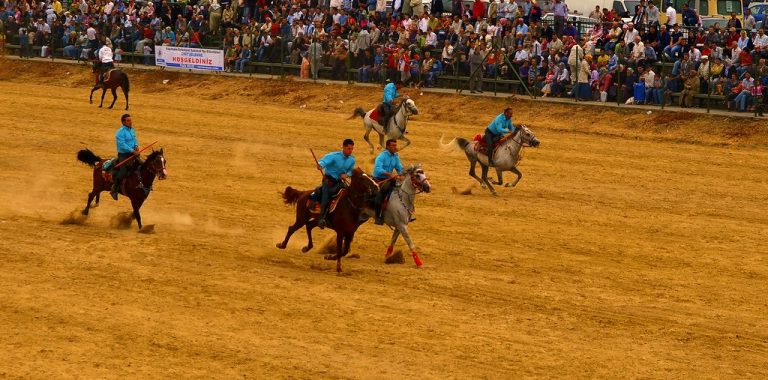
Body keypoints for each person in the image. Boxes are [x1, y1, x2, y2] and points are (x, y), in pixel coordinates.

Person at [316, 139, 356, 229]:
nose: (350, 151)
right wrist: (320, 165)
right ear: (344, 147)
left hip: (339, 182)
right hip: (328, 182)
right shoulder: (333, 156)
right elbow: (323, 161)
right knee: (325, 198)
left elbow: (351, 170)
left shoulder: (352, 160)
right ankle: (321, 219)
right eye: (349, 149)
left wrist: (347, 174)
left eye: (352, 149)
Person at [372, 139, 403, 225]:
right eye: (393, 145)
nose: (395, 147)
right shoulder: (381, 156)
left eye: (395, 145)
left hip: (390, 179)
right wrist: (389, 174)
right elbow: (377, 169)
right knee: (381, 195)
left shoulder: (395, 156)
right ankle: (378, 217)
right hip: (379, 179)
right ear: (388, 146)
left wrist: (402, 175)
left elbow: (399, 168)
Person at [110, 114, 141, 200]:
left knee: (142, 166)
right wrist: (132, 151)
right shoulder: (120, 132)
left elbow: (135, 139)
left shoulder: (132, 130)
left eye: (131, 120)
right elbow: (122, 145)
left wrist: (136, 146)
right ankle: (114, 189)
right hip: (123, 155)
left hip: (133, 153)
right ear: (123, 122)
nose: (130, 122)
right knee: (123, 171)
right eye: (128, 120)